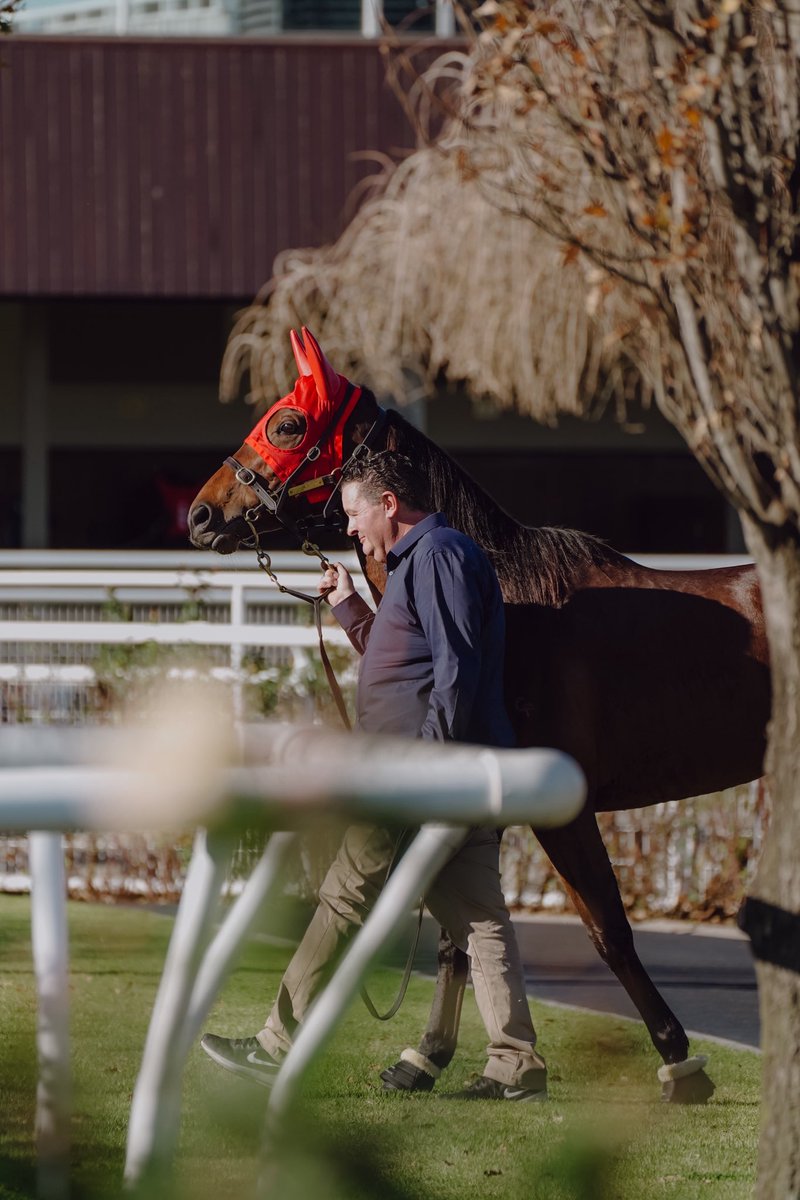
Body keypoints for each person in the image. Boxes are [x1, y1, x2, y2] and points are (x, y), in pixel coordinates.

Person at [201, 451, 547, 1100]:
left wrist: (425, 768)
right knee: (478, 917)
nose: (352, 529)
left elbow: (455, 668)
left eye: (356, 513)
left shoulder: (438, 555)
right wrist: (350, 605)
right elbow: (410, 665)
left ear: (390, 504)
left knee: (344, 897)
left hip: (418, 776)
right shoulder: (420, 564)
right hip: (449, 772)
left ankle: (276, 1046)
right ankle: (515, 1063)